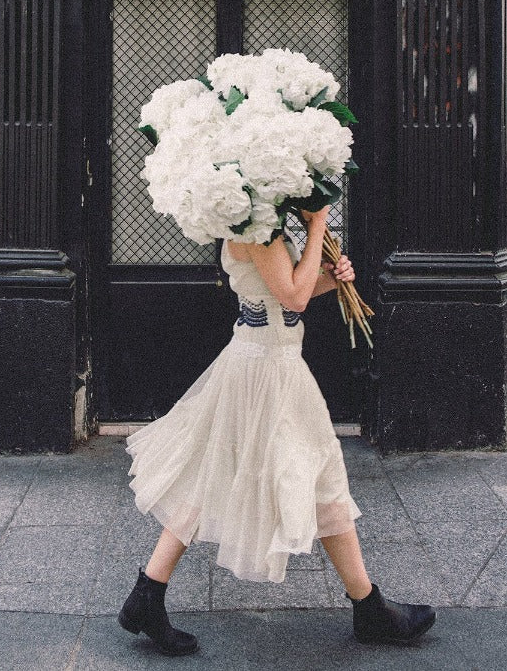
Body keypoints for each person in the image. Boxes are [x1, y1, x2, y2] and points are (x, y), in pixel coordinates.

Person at [118, 205, 436, 656]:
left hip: (267, 363)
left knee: (223, 473)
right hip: (267, 371)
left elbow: (289, 292)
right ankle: (369, 608)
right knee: (315, 471)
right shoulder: (258, 231)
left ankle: (147, 595)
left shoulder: (259, 225)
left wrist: (332, 275)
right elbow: (294, 298)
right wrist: (319, 225)